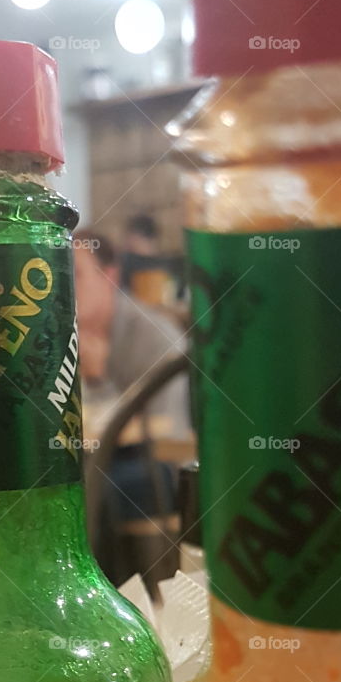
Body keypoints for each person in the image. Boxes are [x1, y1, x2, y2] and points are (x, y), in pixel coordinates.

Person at [73, 228, 190, 585]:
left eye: (74, 275)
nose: (63, 288)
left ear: (110, 276)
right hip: (91, 455)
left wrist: (97, 381)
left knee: (95, 488)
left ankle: (111, 594)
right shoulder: (58, 336)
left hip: (156, 465)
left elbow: (165, 426)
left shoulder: (155, 333)